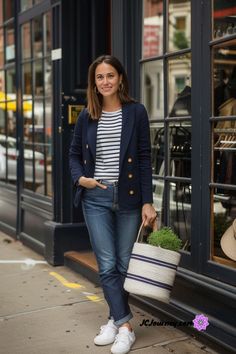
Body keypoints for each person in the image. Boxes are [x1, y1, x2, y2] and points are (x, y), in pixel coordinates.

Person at [69, 55, 156, 354]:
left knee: (123, 265)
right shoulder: (87, 116)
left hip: (129, 196)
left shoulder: (136, 112)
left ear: (120, 78)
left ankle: (113, 319)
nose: (105, 82)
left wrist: (149, 201)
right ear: (94, 83)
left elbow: (144, 159)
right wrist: (82, 179)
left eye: (110, 76)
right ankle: (126, 327)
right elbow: (73, 154)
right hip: (96, 198)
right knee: (106, 265)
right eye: (99, 77)